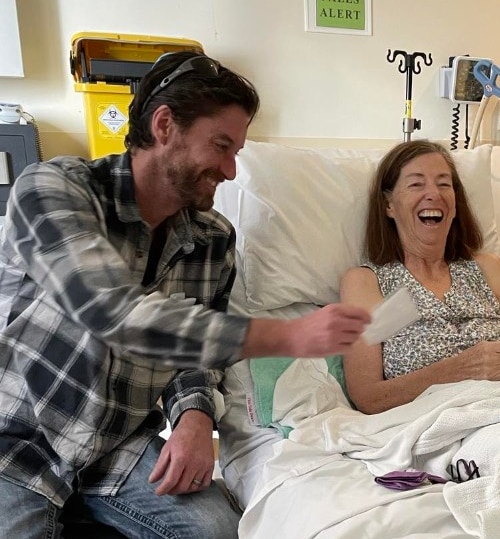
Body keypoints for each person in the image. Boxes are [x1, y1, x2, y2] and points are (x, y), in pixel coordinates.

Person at [0, 51, 369, 538]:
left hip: (118, 445)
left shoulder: (214, 239)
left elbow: (197, 354)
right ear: (165, 125)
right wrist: (286, 336)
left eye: (237, 151)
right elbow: (112, 313)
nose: (232, 170)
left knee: (216, 530)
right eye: (221, 146)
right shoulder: (54, 191)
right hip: (20, 438)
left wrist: (195, 415)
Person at [340, 140, 500, 415]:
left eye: (444, 184)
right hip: (450, 420)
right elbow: (368, 397)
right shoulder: (366, 283)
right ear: (389, 205)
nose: (433, 194)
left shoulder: (488, 268)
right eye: (416, 184)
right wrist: (461, 368)